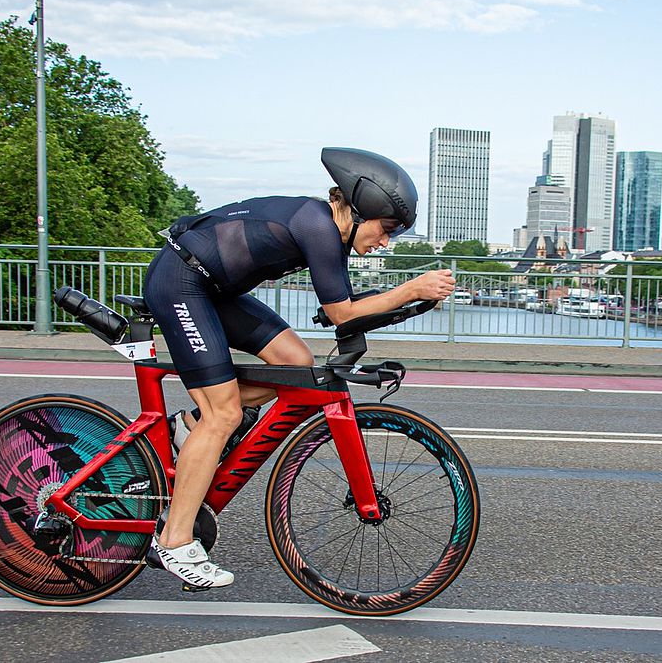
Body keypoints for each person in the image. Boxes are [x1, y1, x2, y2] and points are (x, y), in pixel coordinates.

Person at [141, 147, 455, 589]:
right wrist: (413, 288)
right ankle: (173, 542)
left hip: (212, 289)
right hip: (182, 282)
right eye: (386, 230)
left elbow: (344, 309)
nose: (386, 242)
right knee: (225, 414)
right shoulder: (318, 226)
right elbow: (344, 312)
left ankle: (190, 425)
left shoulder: (327, 230)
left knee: (295, 363)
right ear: (362, 210)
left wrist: (407, 299)